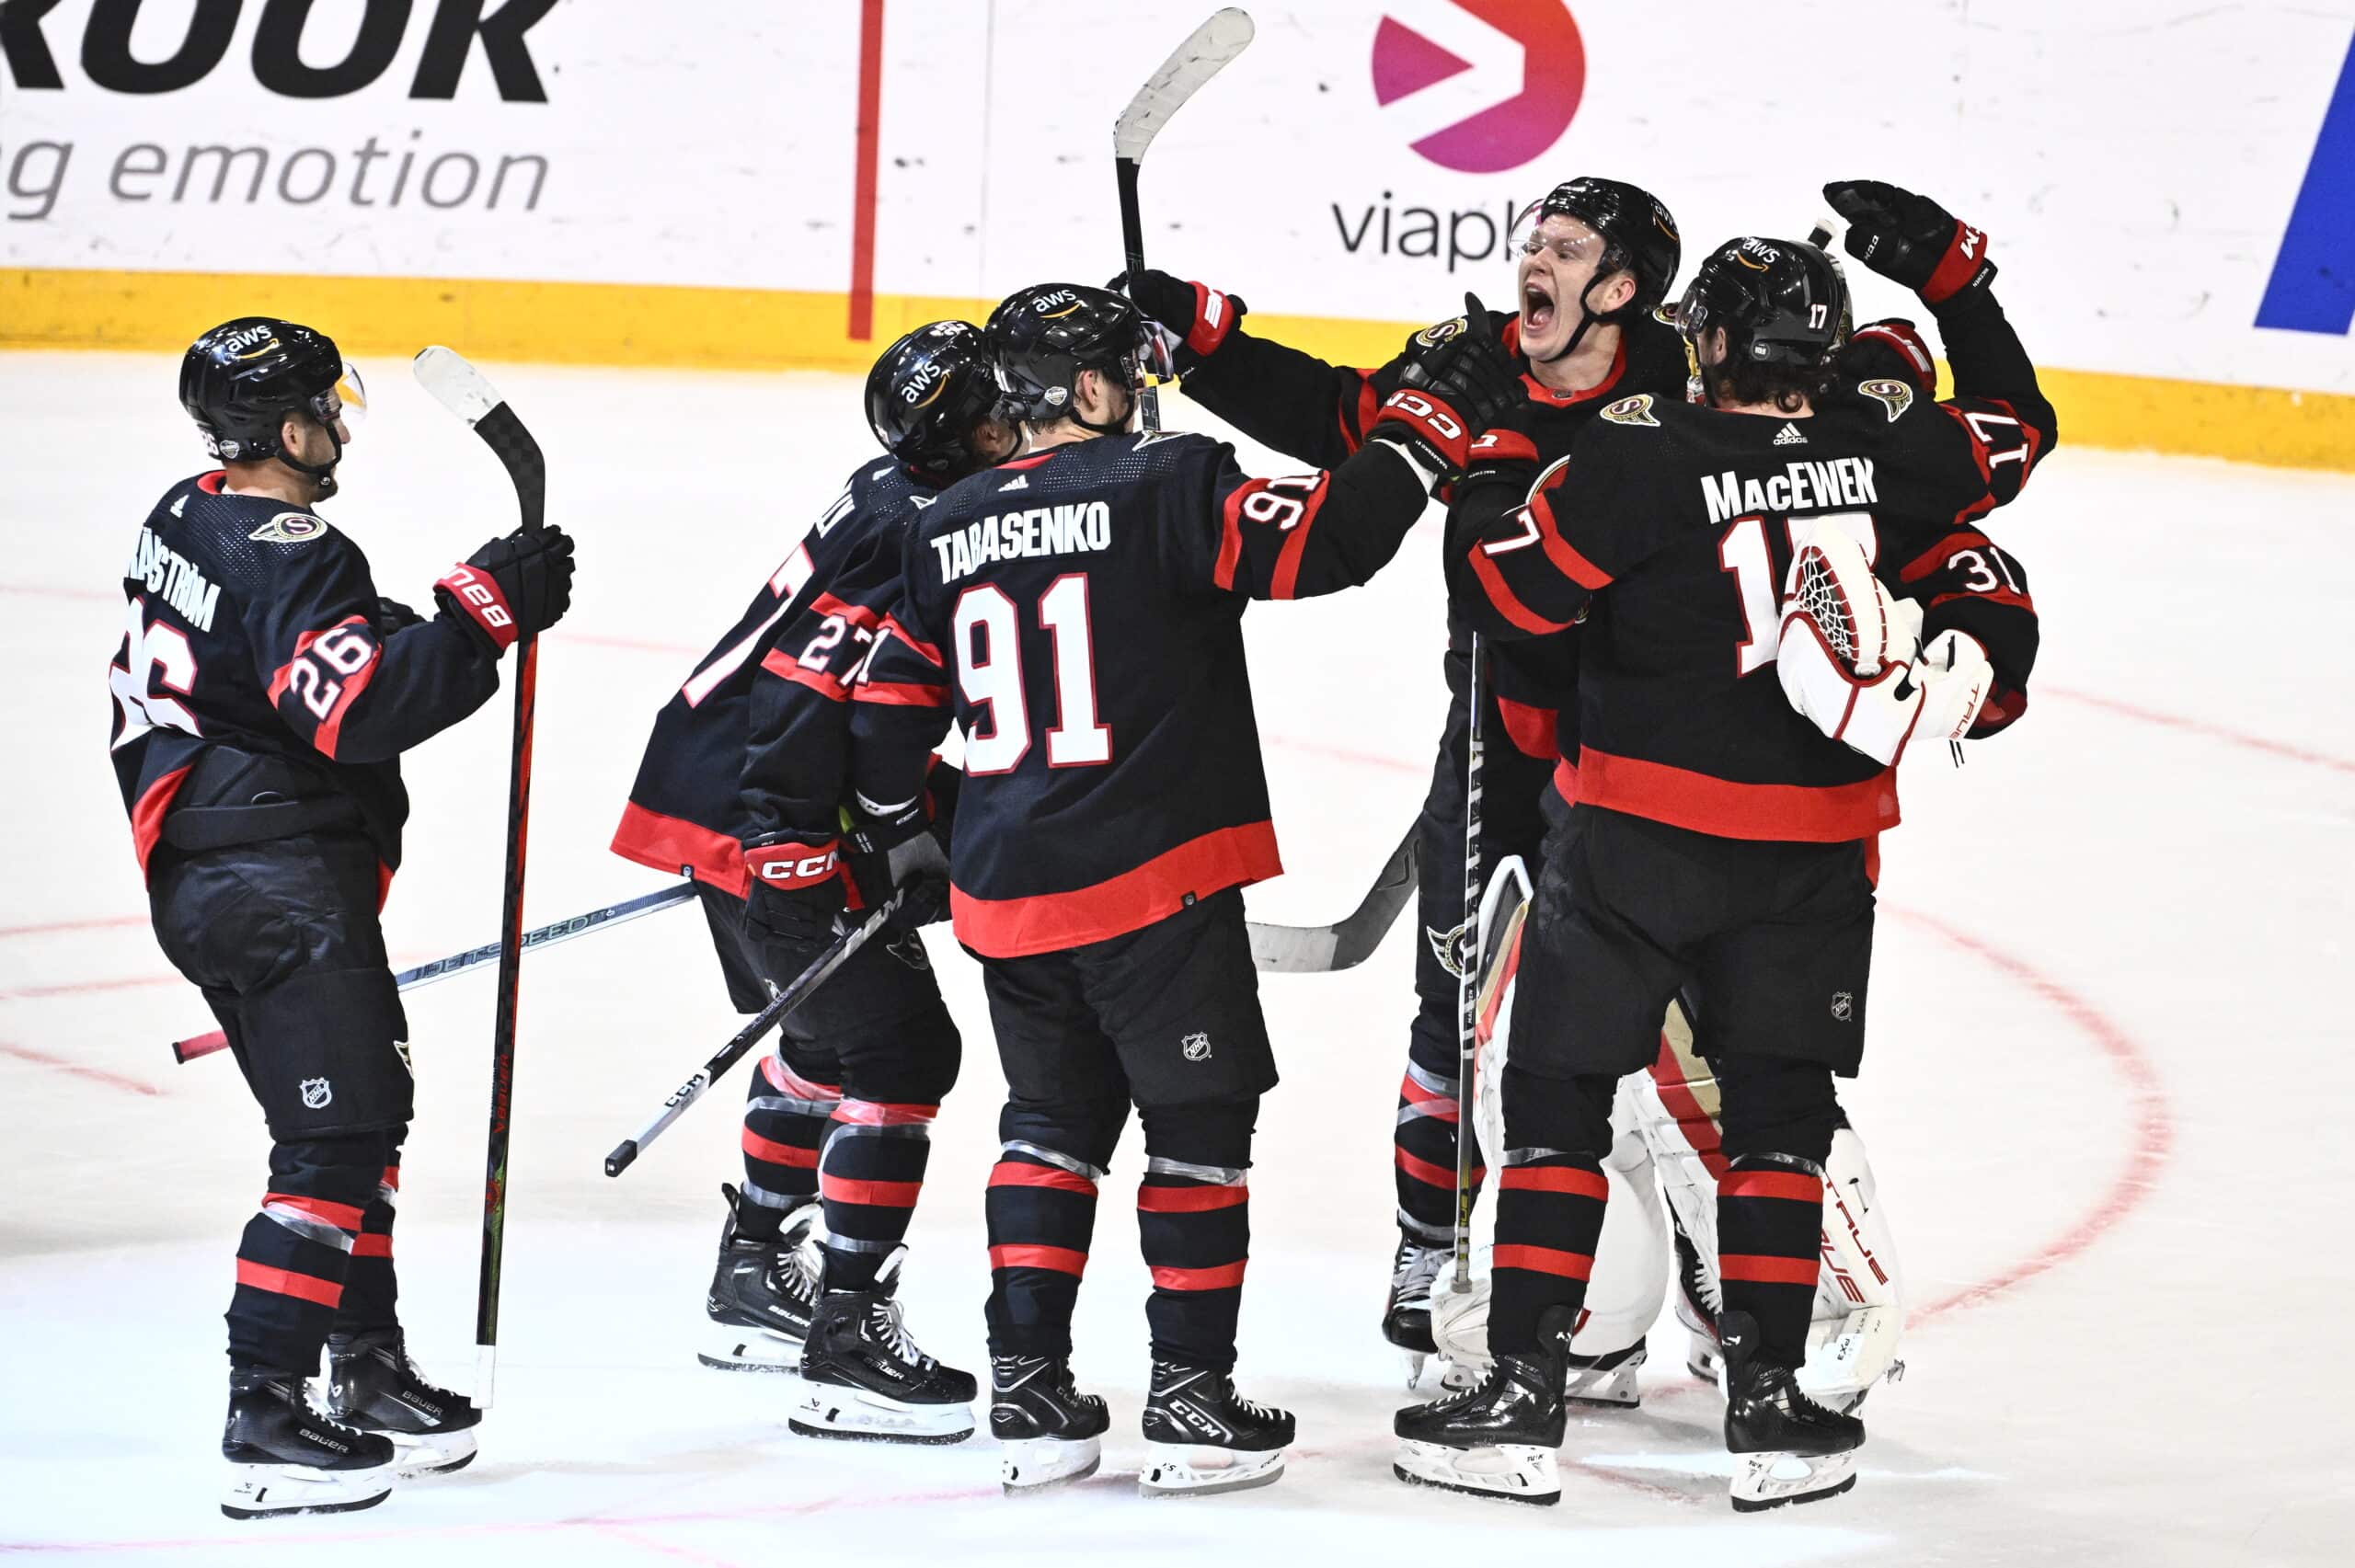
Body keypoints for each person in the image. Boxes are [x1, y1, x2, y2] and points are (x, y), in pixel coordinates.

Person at [1394, 179, 2054, 1511]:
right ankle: (1770, 1406)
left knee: (1558, 1107)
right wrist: (1956, 278)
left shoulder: (1636, 455)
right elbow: (2016, 427)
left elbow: (1510, 590)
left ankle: (1519, 1399)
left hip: (1632, 842)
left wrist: (1490, 456)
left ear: (1701, 342)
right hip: (1813, 855)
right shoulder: (1889, 448)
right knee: (1779, 1124)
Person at [835, 281, 1523, 1495]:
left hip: (1009, 895)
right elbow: (1329, 543)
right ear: (1090, 387)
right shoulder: (1165, 481)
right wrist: (1423, 421)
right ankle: (1193, 1397)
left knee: (1045, 1133)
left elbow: (886, 717)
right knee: (1198, 1135)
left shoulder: (941, 523)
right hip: (1154, 884)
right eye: (1125, 374)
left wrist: (912, 834)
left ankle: (1029, 1393)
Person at [1119, 176, 1689, 1373]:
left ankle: (1693, 1267)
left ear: (1621, 288)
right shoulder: (1476, 366)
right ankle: (1431, 1248)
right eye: (1534, 239)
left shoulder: (1682, 382)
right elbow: (1340, 415)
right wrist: (1204, 343)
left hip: (1652, 748)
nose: (1535, 262)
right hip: (1496, 736)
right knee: (1454, 1011)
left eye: (1567, 248)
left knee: (1675, 1016)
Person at [115, 317, 574, 1517]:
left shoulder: (189, 510)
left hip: (216, 864)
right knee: (336, 1135)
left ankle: (363, 1364)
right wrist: (480, 619)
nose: (340, 426)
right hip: (268, 877)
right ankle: (265, 1410)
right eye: (326, 408)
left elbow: (295, 654)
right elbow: (353, 708)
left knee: (358, 1121)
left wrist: (447, 618)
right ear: (282, 428)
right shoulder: (294, 548)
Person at [611, 323, 1015, 1441]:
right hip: (770, 801)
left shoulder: (896, 483)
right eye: (1002, 409)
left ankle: (754, 1272)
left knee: (829, 1038)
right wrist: (842, 836)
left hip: (714, 774)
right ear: (966, 435)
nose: (1019, 419)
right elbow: (815, 688)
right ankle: (846, 1336)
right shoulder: (933, 521)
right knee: (900, 1052)